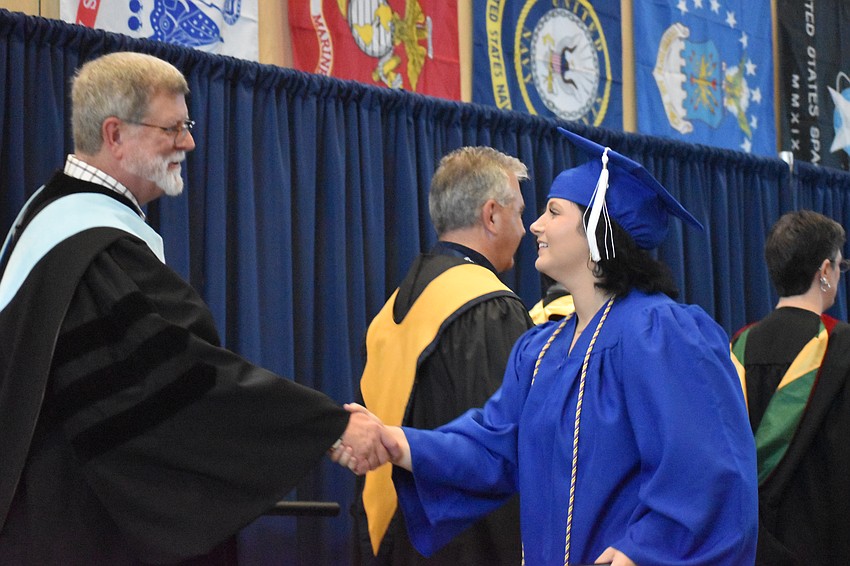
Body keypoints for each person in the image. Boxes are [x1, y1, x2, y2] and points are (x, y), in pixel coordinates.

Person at [0, 51, 390, 564]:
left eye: (188, 125)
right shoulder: (95, 252)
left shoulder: (45, 222)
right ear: (115, 135)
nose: (189, 141)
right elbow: (180, 385)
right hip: (82, 531)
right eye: (173, 128)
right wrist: (326, 425)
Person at [350, 127, 758, 565]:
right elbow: (492, 445)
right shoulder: (540, 350)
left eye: (553, 211)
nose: (535, 226)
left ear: (598, 230)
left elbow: (708, 468)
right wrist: (397, 441)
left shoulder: (660, 333)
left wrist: (644, 549)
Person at [351, 147, 533, 565]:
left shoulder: (392, 310)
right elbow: (498, 452)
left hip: (392, 541)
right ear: (491, 215)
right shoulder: (488, 308)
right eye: (519, 213)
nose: (525, 229)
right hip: (461, 545)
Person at [730, 210, 850, 565]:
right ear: (824, 272)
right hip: (827, 543)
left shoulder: (739, 346)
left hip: (752, 547)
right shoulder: (842, 349)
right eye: (840, 267)